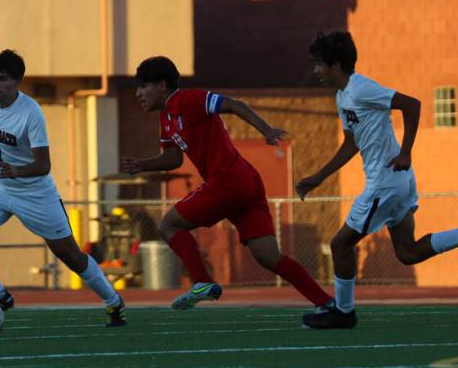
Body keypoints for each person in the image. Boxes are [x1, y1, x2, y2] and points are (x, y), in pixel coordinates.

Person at [295, 31, 458, 330]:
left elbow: (412, 105)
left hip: (385, 182)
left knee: (340, 244)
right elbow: (352, 142)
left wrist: (406, 151)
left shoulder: (361, 88)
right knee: (407, 253)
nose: (316, 71)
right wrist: (318, 177)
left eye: (319, 64)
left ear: (336, 65)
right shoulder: (342, 96)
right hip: (396, 181)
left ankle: (344, 312)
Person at [121, 56, 334, 317]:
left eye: (143, 86)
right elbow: (173, 158)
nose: (138, 93)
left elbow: (233, 104)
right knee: (268, 256)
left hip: (228, 181)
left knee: (169, 224)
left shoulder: (187, 100)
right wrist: (142, 165)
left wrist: (265, 129)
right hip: (245, 183)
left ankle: (202, 282)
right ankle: (326, 303)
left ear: (162, 85)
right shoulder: (165, 118)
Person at [0, 50, 126, 326]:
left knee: (70, 256)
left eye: (2, 79)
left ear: (17, 81)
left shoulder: (31, 113)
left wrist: (16, 171)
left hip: (35, 194)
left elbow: (44, 165)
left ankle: (113, 302)